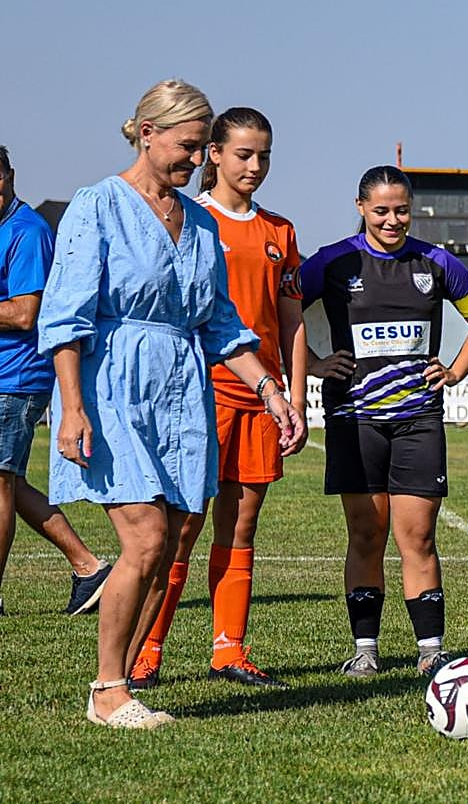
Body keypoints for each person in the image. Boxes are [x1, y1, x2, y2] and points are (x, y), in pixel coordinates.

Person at [37, 80, 303, 729]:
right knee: (146, 535)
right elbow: (65, 316)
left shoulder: (202, 222)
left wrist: (272, 390)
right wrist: (72, 407)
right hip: (112, 385)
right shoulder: (97, 205)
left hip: (183, 389)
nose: (196, 158)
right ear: (147, 133)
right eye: (188, 145)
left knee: (175, 534)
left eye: (202, 147)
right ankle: (107, 690)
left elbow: (221, 323)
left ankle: (117, 684)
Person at [130, 108, 308, 690]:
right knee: (182, 526)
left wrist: (295, 396)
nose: (254, 166)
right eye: (243, 154)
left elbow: (291, 321)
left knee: (240, 528)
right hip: (197, 393)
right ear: (213, 155)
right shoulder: (189, 219)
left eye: (264, 155)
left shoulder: (279, 231)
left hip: (261, 397)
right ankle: (146, 650)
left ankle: (229, 649)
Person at [301, 165, 468, 678]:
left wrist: (453, 370)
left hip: (418, 420)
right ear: (361, 207)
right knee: (367, 535)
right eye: (382, 210)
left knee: (419, 536)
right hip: (354, 418)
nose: (392, 220)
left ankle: (431, 651)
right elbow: (278, 313)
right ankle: (365, 651)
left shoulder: (435, 262)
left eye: (402, 210)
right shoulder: (332, 262)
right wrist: (311, 365)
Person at [0, 145, 112, 617]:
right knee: (10, 482)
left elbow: (27, 313)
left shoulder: (25, 231)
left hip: (15, 377)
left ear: (9, 175)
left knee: (1, 482)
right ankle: (88, 568)